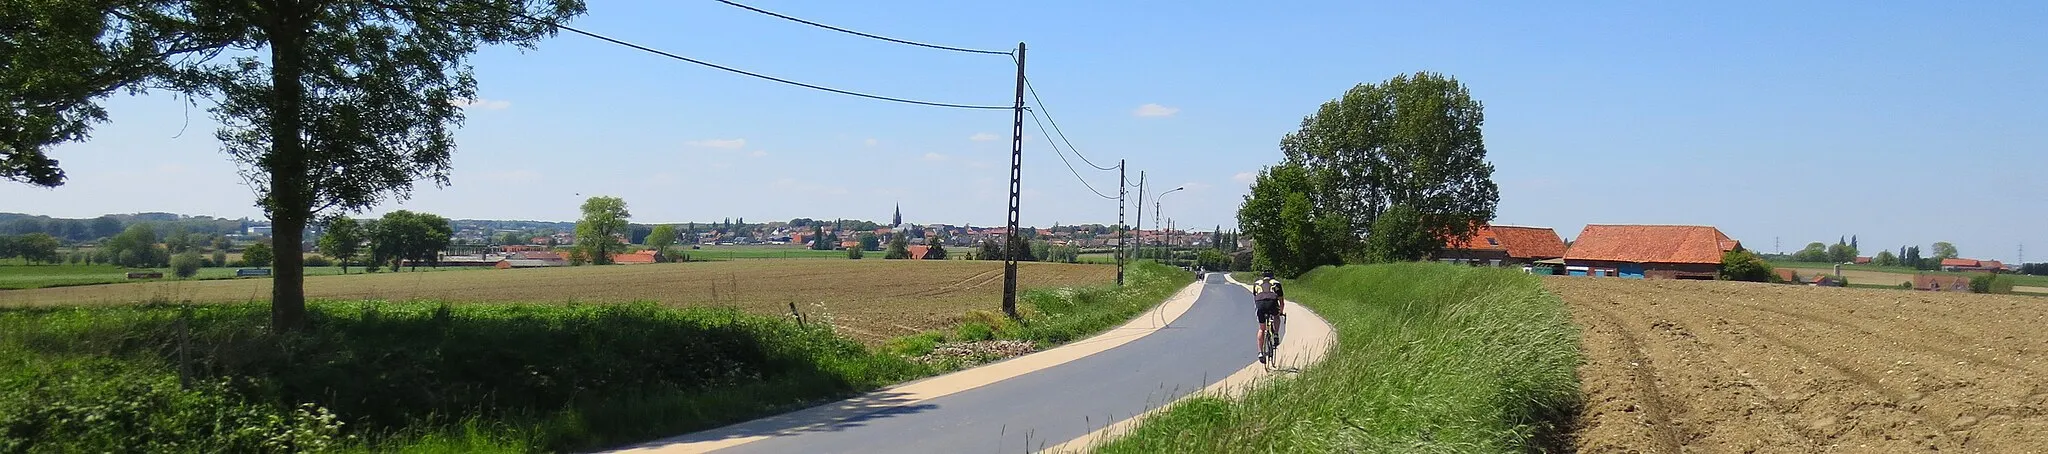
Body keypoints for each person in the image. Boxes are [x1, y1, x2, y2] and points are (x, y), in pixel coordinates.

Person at [1251, 270, 1285, 363]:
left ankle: (1260, 353)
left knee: (1262, 329)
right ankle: (1276, 334)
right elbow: (1281, 302)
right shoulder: (1277, 283)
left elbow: (1255, 297)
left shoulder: (1256, 283)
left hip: (1260, 304)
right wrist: (1280, 312)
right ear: (1272, 276)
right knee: (1276, 316)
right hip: (1272, 303)